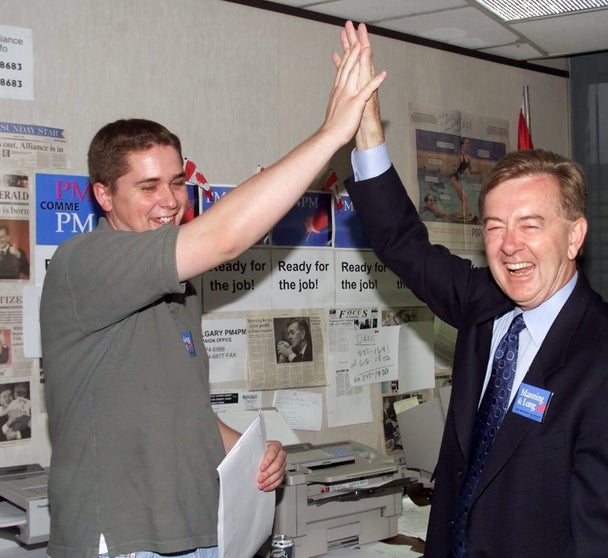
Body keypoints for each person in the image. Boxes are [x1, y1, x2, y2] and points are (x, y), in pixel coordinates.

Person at [39, 26, 385, 558]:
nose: (170, 201)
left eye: (177, 182)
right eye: (147, 187)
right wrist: (333, 133)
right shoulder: (83, 262)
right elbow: (224, 237)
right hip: (126, 540)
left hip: (199, 531)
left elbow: (180, 412)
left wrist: (251, 450)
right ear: (103, 195)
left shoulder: (178, 286)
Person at [338, 23, 608, 557]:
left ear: (575, 236)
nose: (509, 246)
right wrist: (367, 130)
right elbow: (402, 242)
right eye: (494, 226)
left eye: (531, 224)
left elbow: (605, 545)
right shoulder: (484, 307)